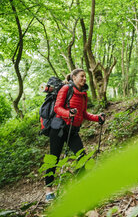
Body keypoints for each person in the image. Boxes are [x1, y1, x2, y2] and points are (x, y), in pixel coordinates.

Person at [45, 68, 105, 201]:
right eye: (82, 76)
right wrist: (68, 113)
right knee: (53, 159)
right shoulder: (66, 89)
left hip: (72, 131)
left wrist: (98, 118)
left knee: (82, 156)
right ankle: (48, 190)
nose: (84, 79)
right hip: (59, 129)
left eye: (85, 77)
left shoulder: (84, 94)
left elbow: (84, 114)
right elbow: (57, 108)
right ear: (74, 77)